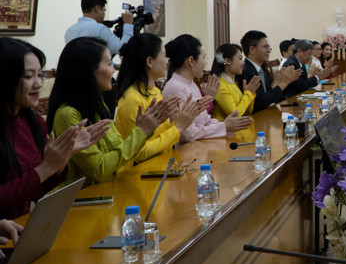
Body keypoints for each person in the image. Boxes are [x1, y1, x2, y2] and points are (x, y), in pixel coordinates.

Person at [0, 38, 107, 219]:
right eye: (28, 76)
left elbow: (38, 189)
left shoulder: (33, 122)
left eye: (39, 75)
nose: (39, 84)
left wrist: (60, 162)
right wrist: (46, 167)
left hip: (24, 227)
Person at [48, 37, 171, 186]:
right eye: (109, 64)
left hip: (113, 188)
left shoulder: (97, 106)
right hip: (85, 200)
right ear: (88, 69)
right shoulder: (68, 115)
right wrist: (141, 132)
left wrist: (142, 131)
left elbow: (122, 158)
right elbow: (100, 170)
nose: (113, 70)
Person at [115, 34, 206, 165]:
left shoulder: (155, 91)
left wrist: (180, 122)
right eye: (164, 55)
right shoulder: (132, 99)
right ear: (149, 61)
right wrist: (178, 127)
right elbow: (139, 153)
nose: (167, 60)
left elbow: (162, 138)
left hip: (162, 166)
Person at [162, 34, 252, 141]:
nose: (205, 63)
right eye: (203, 58)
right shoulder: (176, 87)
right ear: (191, 61)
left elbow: (205, 120)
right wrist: (223, 127)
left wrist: (225, 126)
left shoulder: (191, 84)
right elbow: (186, 134)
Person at [240, 30, 300, 113]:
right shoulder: (246, 71)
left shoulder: (260, 69)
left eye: (269, 47)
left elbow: (269, 95)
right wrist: (283, 83)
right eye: (265, 47)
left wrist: (278, 82)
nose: (269, 50)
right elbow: (262, 102)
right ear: (252, 49)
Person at [64, 0, 134, 55]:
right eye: (104, 10)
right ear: (97, 8)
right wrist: (128, 24)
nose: (104, 14)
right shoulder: (99, 29)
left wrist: (113, 65)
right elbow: (122, 49)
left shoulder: (69, 31)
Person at [210, 43, 259, 121]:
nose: (243, 62)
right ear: (228, 61)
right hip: (223, 130)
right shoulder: (219, 84)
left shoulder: (233, 82)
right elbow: (235, 115)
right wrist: (248, 93)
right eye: (240, 59)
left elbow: (247, 112)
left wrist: (250, 93)